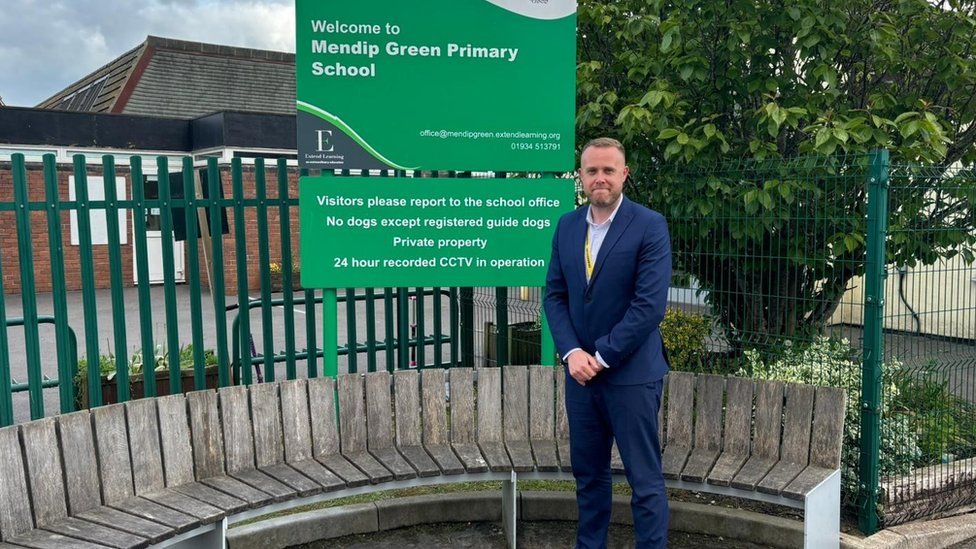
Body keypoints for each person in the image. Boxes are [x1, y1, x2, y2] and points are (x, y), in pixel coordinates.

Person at [543, 137, 672, 548]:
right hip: (580, 377)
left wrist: (600, 356)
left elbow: (648, 307)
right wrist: (571, 352)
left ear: (624, 174)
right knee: (589, 476)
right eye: (592, 170)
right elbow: (555, 295)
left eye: (608, 170)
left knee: (645, 482)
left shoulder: (650, 225)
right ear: (580, 176)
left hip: (631, 376)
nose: (600, 178)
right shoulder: (566, 225)